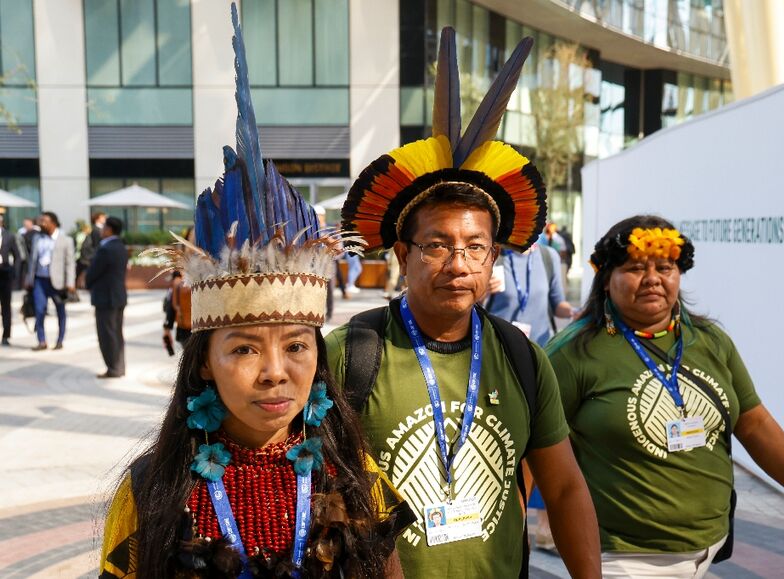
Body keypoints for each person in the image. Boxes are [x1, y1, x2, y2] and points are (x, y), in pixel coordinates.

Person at [99, 6, 413, 577]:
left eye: (296, 345)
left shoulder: (358, 478)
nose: (275, 371)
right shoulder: (153, 492)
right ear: (203, 365)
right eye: (244, 348)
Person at [329, 28, 600, 578]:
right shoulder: (351, 353)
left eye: (475, 247)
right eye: (436, 245)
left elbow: (565, 485)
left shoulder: (522, 358)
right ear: (402, 254)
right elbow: (325, 494)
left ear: (494, 255)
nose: (458, 263)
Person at [547, 215, 784, 578]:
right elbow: (536, 449)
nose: (653, 278)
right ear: (606, 279)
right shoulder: (573, 352)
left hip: (708, 547)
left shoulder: (711, 341)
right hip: (620, 557)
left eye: (665, 267)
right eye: (636, 267)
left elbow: (753, 421)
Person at [486, 242, 575, 346]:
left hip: (539, 349)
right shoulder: (493, 256)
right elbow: (474, 307)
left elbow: (557, 304)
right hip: (500, 348)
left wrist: (574, 312)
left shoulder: (548, 256)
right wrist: (482, 292)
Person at [26, 211, 75, 351]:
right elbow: (32, 261)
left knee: (60, 311)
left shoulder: (65, 240)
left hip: (58, 282)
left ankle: (60, 340)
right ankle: (42, 341)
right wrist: (29, 278)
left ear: (53, 223)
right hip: (40, 281)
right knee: (39, 310)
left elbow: (70, 263)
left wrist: (70, 283)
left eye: (44, 221)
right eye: (40, 221)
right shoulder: (37, 238)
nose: (41, 224)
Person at [86, 216, 128, 378]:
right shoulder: (120, 246)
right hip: (118, 296)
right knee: (116, 333)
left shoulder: (106, 248)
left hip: (105, 298)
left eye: (104, 227)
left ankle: (113, 368)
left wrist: (87, 282)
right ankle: (119, 367)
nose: (101, 230)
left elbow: (94, 272)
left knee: (106, 335)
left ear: (109, 229)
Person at [0, 214, 22, 346]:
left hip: (4, 274)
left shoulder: (9, 236)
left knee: (6, 307)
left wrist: (15, 273)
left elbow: (18, 256)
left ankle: (6, 335)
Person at [77, 212, 105, 286]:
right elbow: (96, 244)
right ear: (97, 219)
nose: (104, 219)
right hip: (92, 254)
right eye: (102, 217)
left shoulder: (99, 228)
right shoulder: (96, 229)